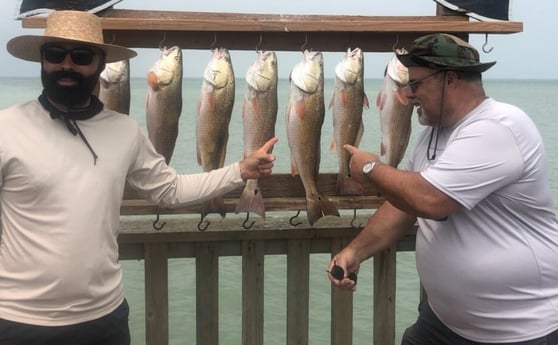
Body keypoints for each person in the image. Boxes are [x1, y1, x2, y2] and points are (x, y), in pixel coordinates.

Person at [0, 10, 277, 345]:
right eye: (55, 55)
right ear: (42, 60)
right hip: (17, 319)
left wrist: (239, 172)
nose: (67, 65)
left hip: (104, 318)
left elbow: (170, 190)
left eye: (82, 56)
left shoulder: (125, 131)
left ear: (100, 65)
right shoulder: (7, 128)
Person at [328, 33, 558, 344]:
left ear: (449, 79)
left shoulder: (499, 127)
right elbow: (402, 205)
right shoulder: (432, 135)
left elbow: (430, 199)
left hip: (517, 330)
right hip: (443, 322)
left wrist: (370, 167)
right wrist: (356, 250)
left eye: (416, 84)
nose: (408, 95)